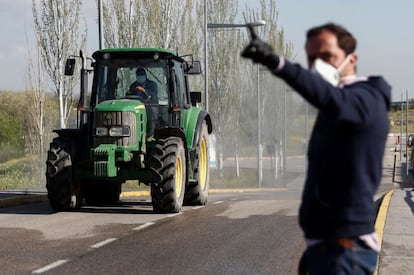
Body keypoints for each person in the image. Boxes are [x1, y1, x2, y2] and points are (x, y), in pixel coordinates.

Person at [241, 22, 391, 274]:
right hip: (329, 249)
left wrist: (278, 63)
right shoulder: (337, 108)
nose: (318, 65)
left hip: (344, 251)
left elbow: (331, 98)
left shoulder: (366, 99)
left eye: (327, 56)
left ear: (351, 59)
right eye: (312, 58)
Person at [129, 67, 159, 139]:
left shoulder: (152, 84)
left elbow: (153, 96)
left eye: (141, 75)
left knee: (152, 111)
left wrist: (144, 90)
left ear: (145, 76)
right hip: (136, 106)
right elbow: (130, 95)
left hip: (150, 105)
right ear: (136, 77)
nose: (140, 77)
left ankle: (151, 134)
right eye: (138, 75)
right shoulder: (133, 86)